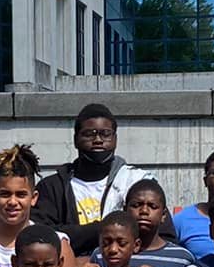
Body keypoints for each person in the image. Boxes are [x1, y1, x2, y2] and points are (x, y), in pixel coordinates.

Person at [35, 103, 144, 255]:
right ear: (75, 140)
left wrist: (72, 234)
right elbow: (42, 236)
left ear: (115, 139)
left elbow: (156, 234)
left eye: (105, 134)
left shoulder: (136, 183)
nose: (98, 140)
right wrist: (103, 228)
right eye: (89, 134)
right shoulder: (51, 187)